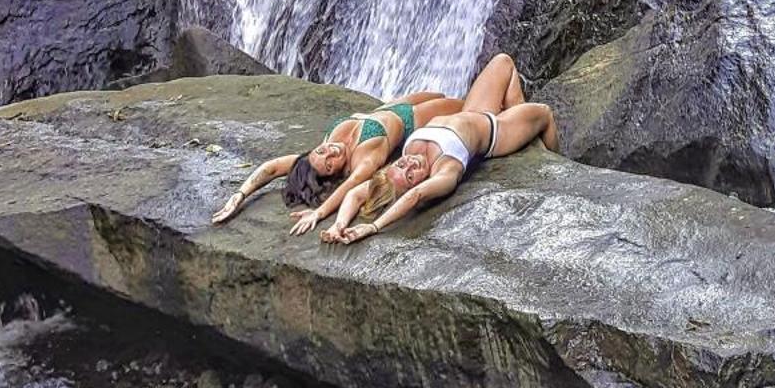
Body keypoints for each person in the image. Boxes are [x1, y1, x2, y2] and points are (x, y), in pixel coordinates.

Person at [311, 52, 558, 245]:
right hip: (497, 130)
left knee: (503, 62)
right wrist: (374, 227)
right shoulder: (445, 170)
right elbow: (413, 197)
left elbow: (355, 194)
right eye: (411, 176)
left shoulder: (402, 162)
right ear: (418, 183)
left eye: (401, 164)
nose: (410, 164)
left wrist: (338, 225)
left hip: (472, 111)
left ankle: (527, 138)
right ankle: (555, 162)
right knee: (544, 114)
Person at [209, 89, 462, 227]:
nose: (332, 152)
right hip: (412, 118)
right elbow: (350, 187)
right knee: (464, 105)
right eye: (331, 164)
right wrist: (319, 213)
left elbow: (272, 168)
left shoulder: (319, 152)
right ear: (335, 172)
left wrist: (240, 194)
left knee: (439, 93)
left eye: (323, 151)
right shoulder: (363, 161)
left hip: (390, 106)